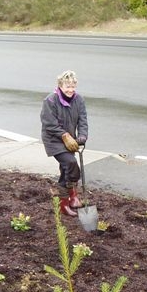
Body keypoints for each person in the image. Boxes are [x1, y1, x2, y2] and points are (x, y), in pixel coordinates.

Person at [40, 70, 88, 217]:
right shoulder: (50, 101)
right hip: (53, 140)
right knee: (71, 165)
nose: (70, 90)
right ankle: (63, 204)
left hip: (70, 141)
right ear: (60, 85)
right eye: (67, 86)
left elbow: (82, 120)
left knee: (66, 168)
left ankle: (73, 198)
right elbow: (49, 123)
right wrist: (64, 135)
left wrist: (82, 136)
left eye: (73, 87)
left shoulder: (79, 100)